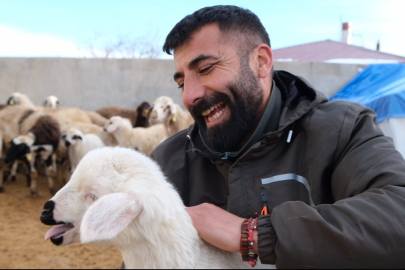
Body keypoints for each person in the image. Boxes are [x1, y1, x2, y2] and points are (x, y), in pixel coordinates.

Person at [148, 5, 405, 268]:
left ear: (261, 62)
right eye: (181, 83)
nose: (190, 95)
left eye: (206, 69)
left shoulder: (342, 128)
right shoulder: (169, 161)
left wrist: (253, 235)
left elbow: (398, 211)